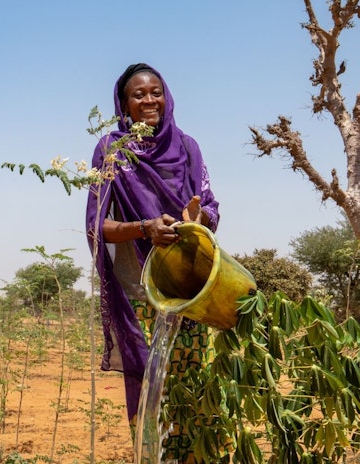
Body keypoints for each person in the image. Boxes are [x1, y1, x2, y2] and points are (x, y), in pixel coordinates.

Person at [85, 63, 218, 461]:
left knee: (192, 382)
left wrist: (199, 218)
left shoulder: (188, 147)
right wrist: (144, 227)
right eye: (138, 95)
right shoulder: (112, 150)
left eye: (155, 91)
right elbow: (97, 224)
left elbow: (210, 206)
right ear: (124, 104)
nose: (149, 100)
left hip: (188, 287)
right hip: (139, 290)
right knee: (149, 387)